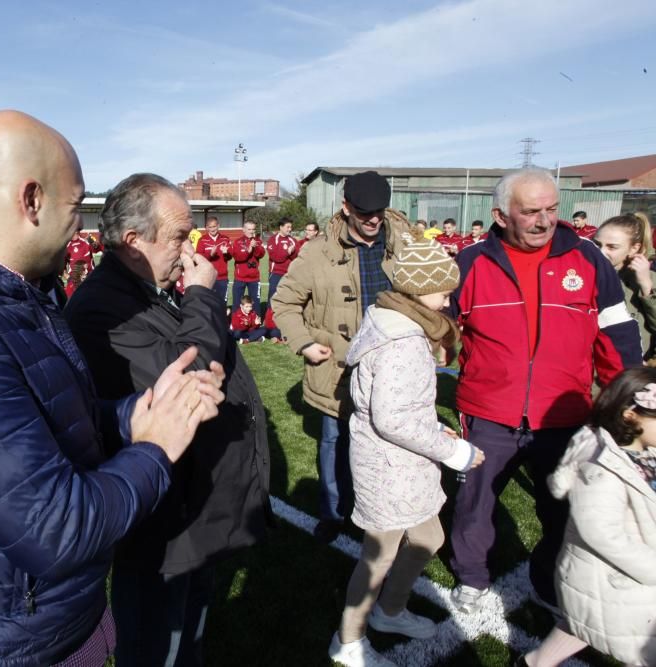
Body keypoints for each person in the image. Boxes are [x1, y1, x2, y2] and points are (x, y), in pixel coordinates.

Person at [0, 110, 225, 667]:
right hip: (7, 646)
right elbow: (55, 530)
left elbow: (50, 421)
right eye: (75, 207)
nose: (80, 228)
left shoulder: (10, 299)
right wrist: (156, 448)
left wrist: (136, 413)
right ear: (30, 200)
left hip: (42, 626)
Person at [64, 172, 270, 667]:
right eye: (179, 235)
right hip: (159, 517)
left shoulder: (149, 289)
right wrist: (201, 296)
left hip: (192, 502)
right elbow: (184, 380)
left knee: (189, 637)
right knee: (158, 643)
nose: (189, 247)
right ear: (133, 241)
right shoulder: (101, 308)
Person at [448, 168, 643, 615]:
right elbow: (440, 327)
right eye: (531, 211)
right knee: (475, 504)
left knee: (562, 510)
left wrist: (625, 400)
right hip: (489, 412)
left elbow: (617, 335)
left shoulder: (588, 260)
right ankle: (472, 578)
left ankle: (549, 581)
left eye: (551, 209)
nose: (544, 220)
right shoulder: (470, 262)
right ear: (500, 215)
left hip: (565, 414)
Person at [329, 237, 484, 667]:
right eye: (444, 290)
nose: (449, 299)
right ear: (418, 290)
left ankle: (389, 611)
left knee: (429, 537)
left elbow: (402, 408)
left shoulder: (397, 321)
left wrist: (436, 432)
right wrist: (454, 452)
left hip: (406, 461)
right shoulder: (403, 341)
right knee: (378, 556)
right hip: (388, 466)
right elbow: (393, 419)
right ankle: (348, 640)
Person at [273, 170, 411, 543]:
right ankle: (334, 513)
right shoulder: (317, 252)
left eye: (379, 212)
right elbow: (284, 303)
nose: (373, 220)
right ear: (346, 207)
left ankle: (384, 510)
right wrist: (303, 342)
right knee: (335, 443)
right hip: (338, 371)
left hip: (392, 370)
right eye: (364, 212)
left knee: (391, 445)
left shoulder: (404, 243)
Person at [518, 367, 656, 667]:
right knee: (630, 637)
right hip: (617, 577)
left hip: (614, 579)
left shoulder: (642, 450)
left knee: (587, 620)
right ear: (631, 416)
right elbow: (599, 532)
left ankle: (536, 662)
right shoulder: (601, 468)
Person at [593, 213, 656, 361]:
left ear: (634, 248)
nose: (601, 252)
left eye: (612, 247)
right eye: (597, 244)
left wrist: (647, 288)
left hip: (630, 373)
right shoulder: (583, 274)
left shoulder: (649, 279)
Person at [195, 216, 232, 302]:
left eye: (214, 226)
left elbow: (230, 257)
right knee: (207, 302)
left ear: (218, 226)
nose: (212, 229)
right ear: (206, 228)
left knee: (222, 302)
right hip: (207, 277)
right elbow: (198, 258)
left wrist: (226, 253)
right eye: (210, 227)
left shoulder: (225, 239)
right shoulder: (202, 240)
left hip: (222, 277)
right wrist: (210, 254)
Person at [231, 220, 264, 312]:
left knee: (255, 302)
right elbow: (237, 257)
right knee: (237, 302)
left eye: (253, 229)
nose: (251, 231)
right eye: (249, 229)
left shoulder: (258, 242)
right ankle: (235, 322)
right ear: (243, 230)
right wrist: (248, 250)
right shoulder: (238, 242)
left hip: (254, 278)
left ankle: (256, 322)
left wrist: (255, 246)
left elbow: (261, 254)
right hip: (240, 278)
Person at [266, 217, 297, 305]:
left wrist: (293, 252)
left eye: (291, 227)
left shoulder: (292, 240)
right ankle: (269, 317)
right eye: (288, 227)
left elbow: (296, 257)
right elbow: (275, 257)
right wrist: (287, 252)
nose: (290, 229)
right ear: (281, 227)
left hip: (289, 274)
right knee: (273, 297)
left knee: (288, 297)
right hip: (276, 273)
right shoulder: (273, 240)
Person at [64, 230, 102, 296]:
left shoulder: (86, 242)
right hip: (74, 282)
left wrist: (94, 244)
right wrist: (68, 278)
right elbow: (61, 267)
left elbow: (98, 248)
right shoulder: (65, 247)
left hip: (90, 280)